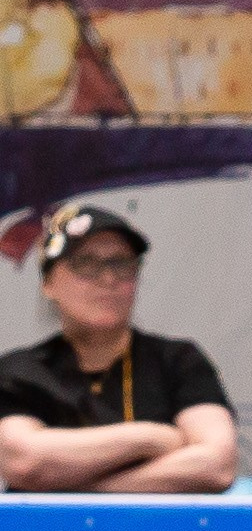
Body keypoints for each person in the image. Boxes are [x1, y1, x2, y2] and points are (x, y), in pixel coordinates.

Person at [0, 203, 237, 494]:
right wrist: (153, 438)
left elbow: (216, 465)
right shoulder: (20, 371)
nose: (109, 279)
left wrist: (81, 490)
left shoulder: (178, 361)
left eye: (122, 263)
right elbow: (25, 462)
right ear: (48, 283)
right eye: (85, 263)